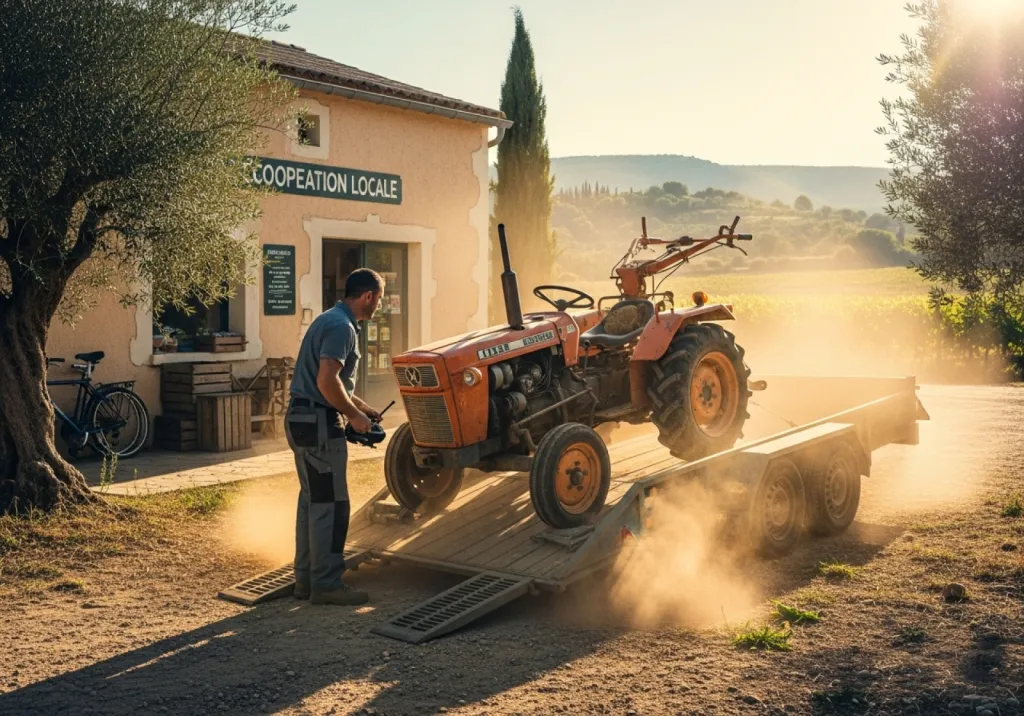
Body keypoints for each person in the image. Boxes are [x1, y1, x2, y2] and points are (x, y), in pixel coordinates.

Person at [285, 268, 385, 605]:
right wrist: (353, 416)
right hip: (318, 422)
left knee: (312, 501)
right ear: (368, 296)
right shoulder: (343, 328)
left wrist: (361, 407)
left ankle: (305, 581)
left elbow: (330, 382)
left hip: (301, 418)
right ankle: (326, 584)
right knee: (332, 505)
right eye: (379, 298)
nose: (379, 306)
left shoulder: (329, 319)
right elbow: (327, 382)